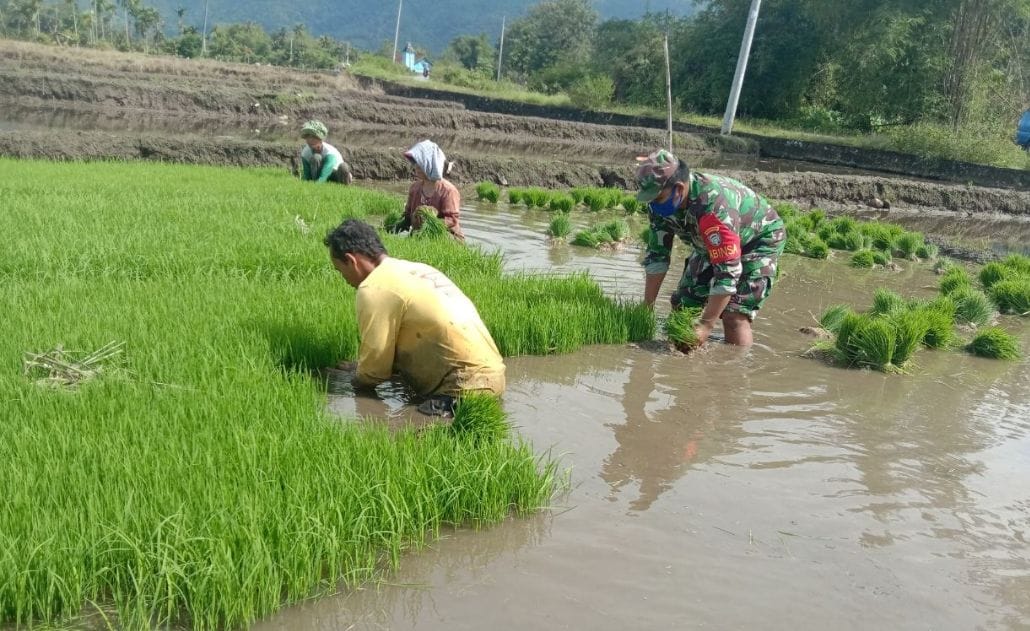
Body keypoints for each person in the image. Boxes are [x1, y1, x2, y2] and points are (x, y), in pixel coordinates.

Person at [324, 219, 504, 416]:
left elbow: (374, 372)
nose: (345, 280)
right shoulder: (417, 269)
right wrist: (361, 365)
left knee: (401, 435)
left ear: (351, 260)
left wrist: (354, 381)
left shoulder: (373, 287)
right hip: (494, 377)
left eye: (340, 271)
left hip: (460, 389)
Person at [635, 149, 786, 348]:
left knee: (734, 315)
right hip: (708, 243)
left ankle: (732, 371)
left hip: (757, 241)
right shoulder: (660, 204)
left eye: (657, 198)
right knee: (683, 304)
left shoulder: (714, 208)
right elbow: (657, 255)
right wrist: (647, 307)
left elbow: (727, 272)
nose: (653, 205)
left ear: (679, 188)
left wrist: (706, 325)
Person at [392, 140, 464, 241]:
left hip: (446, 236)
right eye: (416, 162)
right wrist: (395, 226)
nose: (416, 166)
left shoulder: (448, 191)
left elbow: (452, 220)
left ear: (431, 164)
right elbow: (408, 215)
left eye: (420, 163)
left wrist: (429, 222)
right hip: (419, 235)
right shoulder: (414, 188)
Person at [299, 120, 353, 185]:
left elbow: (325, 172)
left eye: (314, 138)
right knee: (316, 157)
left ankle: (344, 187)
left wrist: (318, 184)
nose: (311, 140)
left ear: (320, 140)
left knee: (344, 166)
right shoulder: (305, 153)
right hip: (318, 175)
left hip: (335, 174)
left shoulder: (330, 152)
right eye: (308, 137)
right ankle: (315, 182)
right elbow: (307, 174)